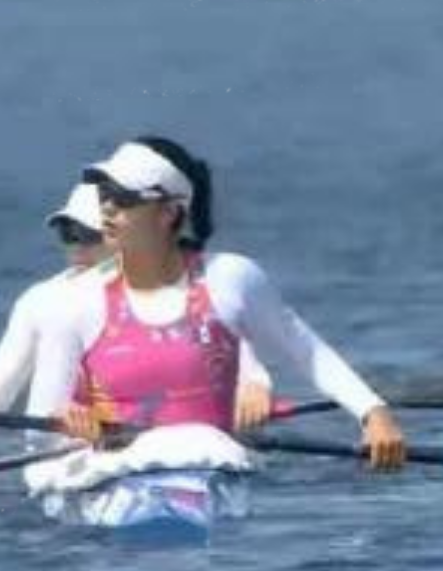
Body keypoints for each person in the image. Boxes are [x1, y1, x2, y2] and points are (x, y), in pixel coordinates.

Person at [37, 136, 407, 470]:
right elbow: (38, 433)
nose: (108, 209)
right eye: (104, 196)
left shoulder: (230, 278)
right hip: (113, 472)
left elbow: (307, 352)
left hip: (214, 463)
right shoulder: (74, 301)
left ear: (169, 213)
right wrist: (66, 422)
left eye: (125, 198)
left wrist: (373, 413)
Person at [0, 182, 276, 487]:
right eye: (67, 234)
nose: (76, 248)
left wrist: (255, 385)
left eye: (87, 236)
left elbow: (237, 354)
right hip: (74, 460)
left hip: (186, 446)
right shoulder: (42, 301)